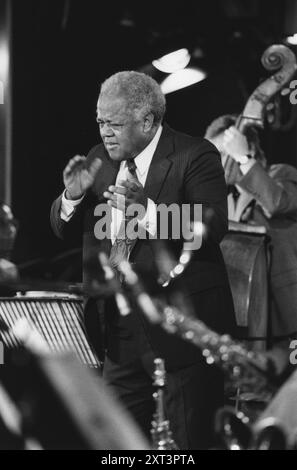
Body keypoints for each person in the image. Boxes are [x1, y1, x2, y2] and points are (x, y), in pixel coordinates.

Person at [51, 72, 237, 449]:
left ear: (147, 121)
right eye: (100, 121)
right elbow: (62, 230)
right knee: (114, 447)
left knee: (183, 446)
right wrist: (70, 198)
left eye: (115, 123)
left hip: (178, 330)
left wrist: (148, 211)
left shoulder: (194, 154)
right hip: (116, 332)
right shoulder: (98, 159)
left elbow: (212, 225)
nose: (105, 132)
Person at [205, 114, 297, 343]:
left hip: (287, 308)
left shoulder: (281, 174)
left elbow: (277, 202)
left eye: (224, 153)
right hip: (250, 315)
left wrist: (243, 158)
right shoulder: (223, 200)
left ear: (249, 148)